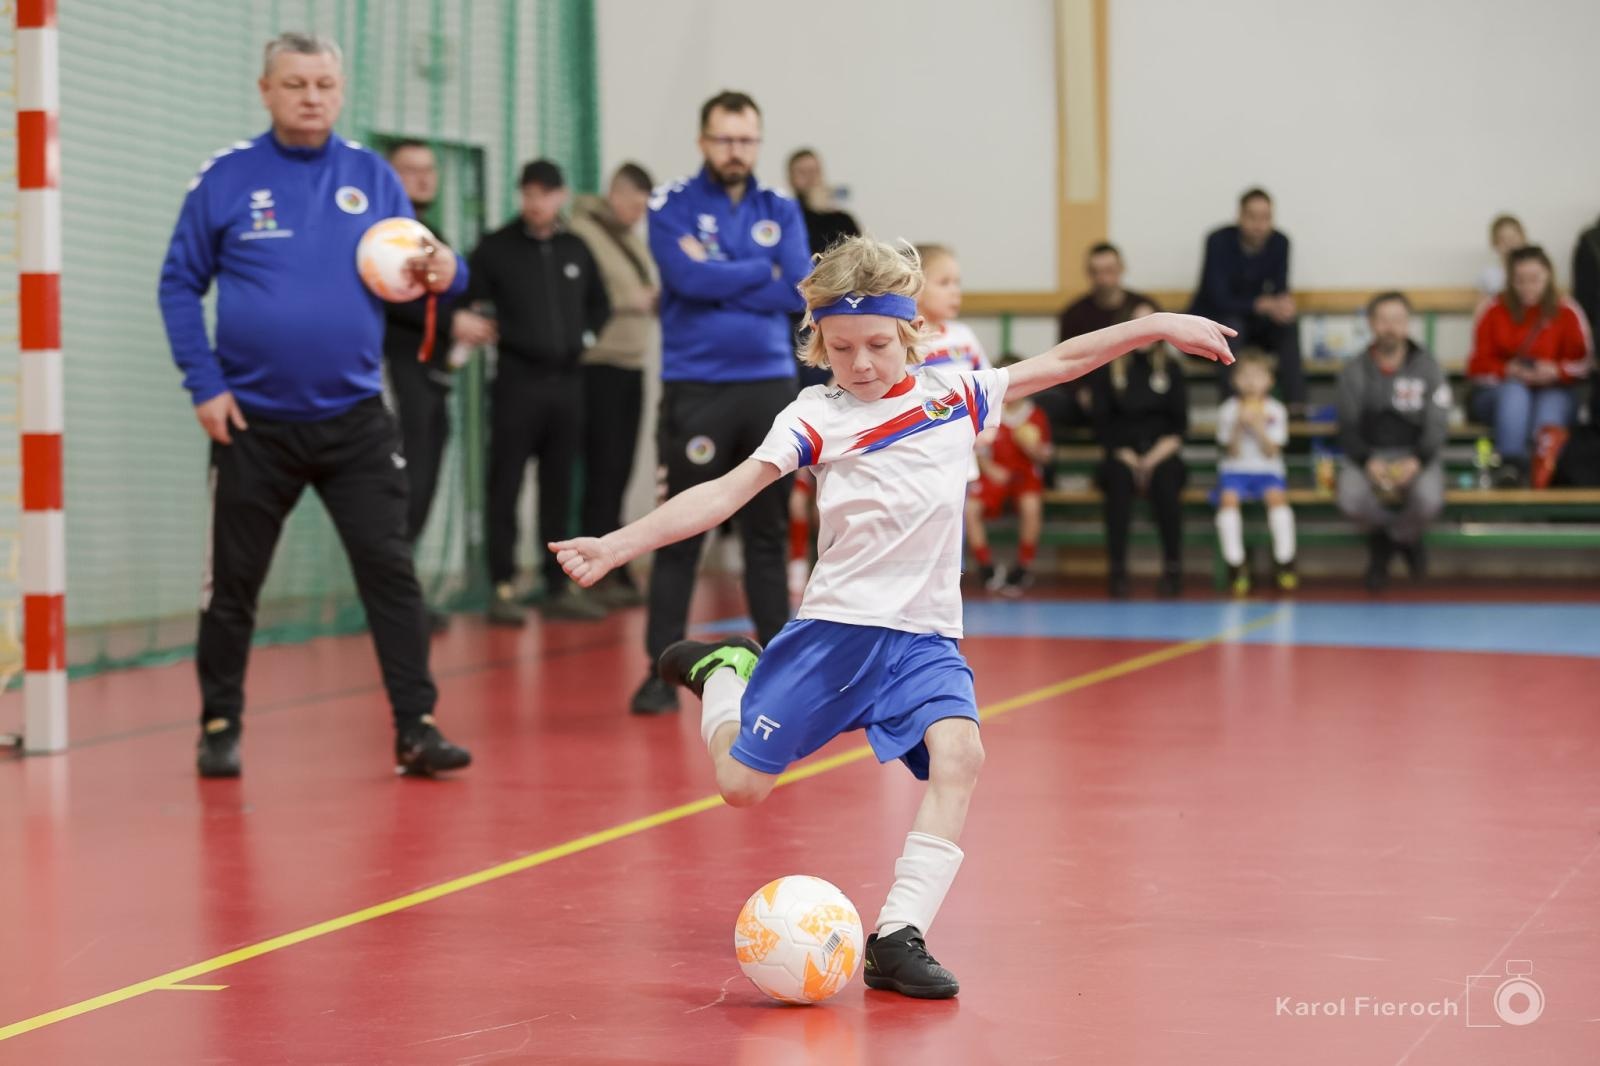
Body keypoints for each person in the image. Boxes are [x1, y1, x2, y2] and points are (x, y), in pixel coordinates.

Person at [548, 237, 1233, 999]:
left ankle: (898, 936)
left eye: (878, 344)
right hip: (836, 632)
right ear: (817, 345)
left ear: (911, 333)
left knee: (961, 755)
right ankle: (724, 672)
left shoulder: (956, 396)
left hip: (926, 638)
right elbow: (724, 492)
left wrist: (1160, 322)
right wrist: (618, 543)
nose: (862, 363)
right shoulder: (815, 414)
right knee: (741, 786)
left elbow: (1064, 361)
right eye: (840, 348)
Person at [158, 32, 471, 778]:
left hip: (356, 419)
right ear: (265, 90)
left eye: (325, 84)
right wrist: (204, 384)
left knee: (390, 572)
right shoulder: (226, 179)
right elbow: (178, 285)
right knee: (231, 584)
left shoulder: (372, 176)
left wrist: (447, 270)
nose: (312, 97)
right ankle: (219, 722)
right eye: (295, 84)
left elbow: (424, 270)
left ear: (339, 90)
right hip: (252, 425)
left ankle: (416, 727)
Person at [632, 91, 812, 715]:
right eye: (724, 139)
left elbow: (795, 289)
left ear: (758, 143)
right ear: (703, 140)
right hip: (697, 387)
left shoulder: (780, 206)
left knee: (765, 533)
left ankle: (779, 673)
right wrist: (753, 272)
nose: (735, 151)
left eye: (746, 140)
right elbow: (683, 280)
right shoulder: (671, 204)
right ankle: (660, 672)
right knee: (681, 529)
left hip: (767, 385)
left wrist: (722, 273)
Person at [456, 159, 611, 625]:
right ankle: (501, 586)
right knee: (504, 484)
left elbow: (599, 304)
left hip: (567, 384)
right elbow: (467, 299)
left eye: (545, 193)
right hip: (516, 384)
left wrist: (583, 338)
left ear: (560, 196)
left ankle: (556, 583)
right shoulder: (495, 248)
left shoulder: (575, 247)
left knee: (559, 487)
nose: (536, 202)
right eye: (528, 193)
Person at [567, 162, 660, 608]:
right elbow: (590, 294)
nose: (639, 212)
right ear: (615, 194)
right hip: (599, 364)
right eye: (635, 202)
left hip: (631, 363)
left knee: (620, 468)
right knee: (601, 470)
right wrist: (633, 301)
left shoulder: (627, 237)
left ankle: (613, 561)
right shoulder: (583, 232)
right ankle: (590, 568)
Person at [382, 139, 462, 633]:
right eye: (411, 171)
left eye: (429, 170)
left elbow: (449, 291)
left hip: (433, 377)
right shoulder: (385, 236)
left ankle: (404, 598)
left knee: (426, 483)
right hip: (397, 371)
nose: (423, 179)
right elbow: (397, 299)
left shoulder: (431, 233)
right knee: (403, 485)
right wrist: (456, 324)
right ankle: (392, 603)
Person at [1336, 292, 1451, 590]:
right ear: (1372, 324)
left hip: (1414, 453)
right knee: (1351, 499)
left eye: (1398, 319)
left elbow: (1438, 423)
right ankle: (1391, 540)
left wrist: (1418, 460)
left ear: (1407, 323)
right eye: (1383, 320)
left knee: (1428, 500)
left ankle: (1392, 541)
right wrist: (1367, 461)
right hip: (1370, 453)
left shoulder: (1428, 367)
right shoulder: (1354, 370)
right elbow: (1347, 425)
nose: (1391, 327)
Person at [1466, 246, 1593, 485]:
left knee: (1549, 403)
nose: (1527, 287)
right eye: (1519, 280)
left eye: (1534, 279)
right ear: (1510, 280)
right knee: (1516, 394)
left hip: (1555, 389)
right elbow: (1475, 366)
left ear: (1548, 276)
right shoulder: (1493, 310)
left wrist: (1556, 371)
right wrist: (1509, 370)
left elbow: (1585, 363)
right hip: (1501, 394)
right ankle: (1511, 468)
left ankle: (1545, 474)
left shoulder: (1567, 311)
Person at [1090, 299, 1190, 599]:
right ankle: (1117, 570)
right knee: (1118, 485)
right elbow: (1102, 423)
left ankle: (1172, 569)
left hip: (1162, 452)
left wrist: (1154, 457)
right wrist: (1128, 456)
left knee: (1166, 484)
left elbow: (1180, 425)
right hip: (1121, 453)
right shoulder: (1109, 369)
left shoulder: (1171, 368)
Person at [1188, 188, 1306, 409]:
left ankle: (1296, 407)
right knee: (1231, 327)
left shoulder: (1280, 242)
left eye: (1266, 218)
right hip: (1216, 324)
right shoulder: (1218, 241)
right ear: (1239, 217)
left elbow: (1280, 288)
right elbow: (1218, 299)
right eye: (1252, 217)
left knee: (1289, 325)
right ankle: (1233, 407)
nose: (1259, 225)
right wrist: (1259, 304)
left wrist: (1283, 306)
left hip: (1254, 327)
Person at [1044, 242, 1151, 438]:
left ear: (1121, 269)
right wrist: (1079, 392)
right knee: (1045, 402)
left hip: (1134, 395)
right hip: (1089, 396)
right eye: (1096, 272)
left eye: (1109, 270)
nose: (1102, 279)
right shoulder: (1074, 314)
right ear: (1088, 273)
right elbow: (1063, 359)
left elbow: (1157, 355)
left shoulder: (1142, 309)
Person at [1212, 353, 1296, 596]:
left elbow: (1272, 452)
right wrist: (1238, 425)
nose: (1251, 382)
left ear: (1269, 381)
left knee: (1277, 501)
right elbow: (1231, 451)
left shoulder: (1276, 410)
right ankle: (1236, 564)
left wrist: (1258, 427)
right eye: (1245, 376)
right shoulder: (1228, 411)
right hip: (1235, 471)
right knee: (1228, 502)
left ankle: (1285, 560)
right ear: (1234, 381)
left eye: (1257, 376)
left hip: (1268, 472)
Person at [968, 355, 1053, 593]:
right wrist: (988, 468)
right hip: (994, 474)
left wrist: (1032, 448)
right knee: (970, 508)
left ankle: (1023, 568)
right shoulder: (987, 412)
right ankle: (986, 567)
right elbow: (976, 448)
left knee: (1031, 506)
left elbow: (1046, 457)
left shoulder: (1035, 415)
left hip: (1024, 476)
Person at [1478, 214, 1526, 299]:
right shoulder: (1489, 275)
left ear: (1522, 239)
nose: (1509, 244)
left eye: (1513, 238)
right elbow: (1482, 308)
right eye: (1503, 240)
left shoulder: (1534, 270)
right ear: (1494, 243)